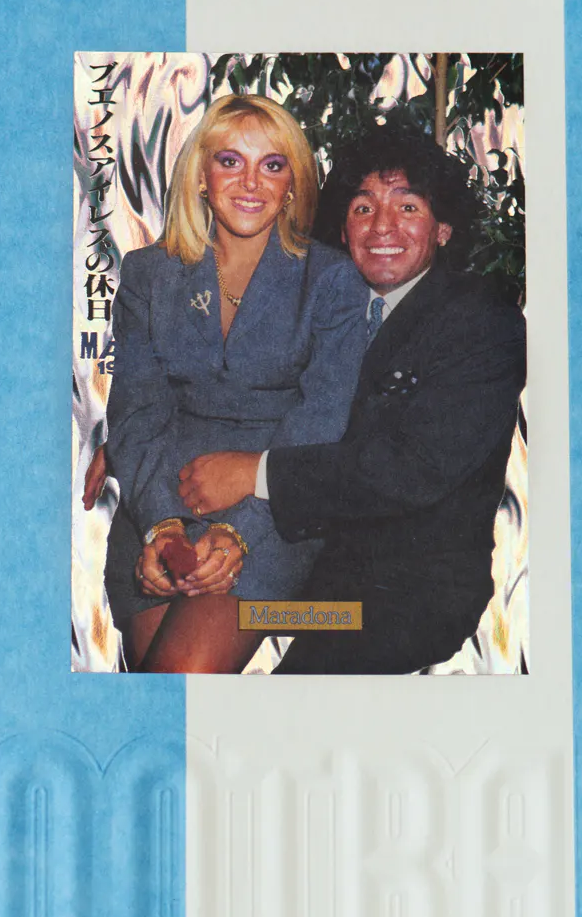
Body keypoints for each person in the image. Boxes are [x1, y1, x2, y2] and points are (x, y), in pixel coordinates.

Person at [177, 128, 526, 674]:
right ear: (343, 228)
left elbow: (412, 469)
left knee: (285, 701)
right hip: (301, 566)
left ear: (443, 228)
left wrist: (255, 473)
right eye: (363, 208)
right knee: (171, 626)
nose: (382, 226)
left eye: (407, 207)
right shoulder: (328, 305)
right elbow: (240, 394)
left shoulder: (480, 322)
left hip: (398, 597)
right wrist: (129, 442)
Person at [101, 93, 369, 673]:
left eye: (272, 165)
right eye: (230, 161)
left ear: (292, 185)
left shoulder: (333, 280)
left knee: (178, 677)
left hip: (271, 515)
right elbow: (137, 410)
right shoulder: (149, 274)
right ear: (201, 176)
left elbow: (323, 421)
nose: (251, 182)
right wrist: (160, 525)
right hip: (160, 504)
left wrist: (239, 532)